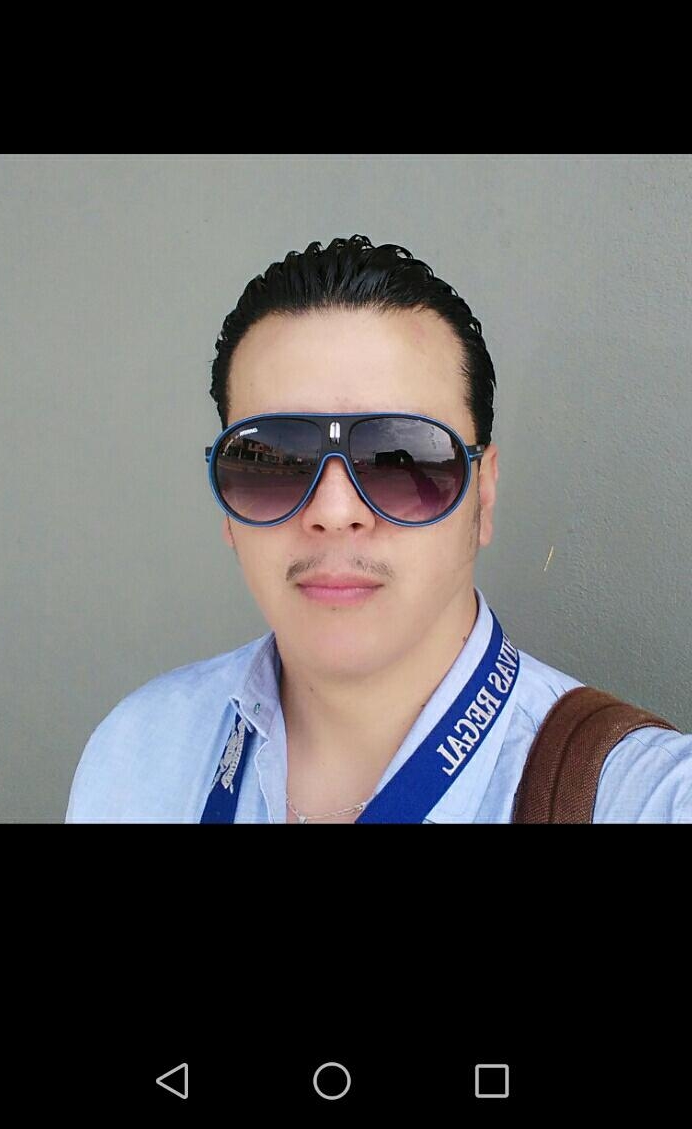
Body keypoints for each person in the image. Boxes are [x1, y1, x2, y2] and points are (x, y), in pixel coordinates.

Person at [65, 234, 692, 823]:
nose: (334, 511)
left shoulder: (638, 795)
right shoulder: (136, 753)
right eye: (274, 461)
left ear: (484, 493)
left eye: (403, 458)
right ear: (227, 505)